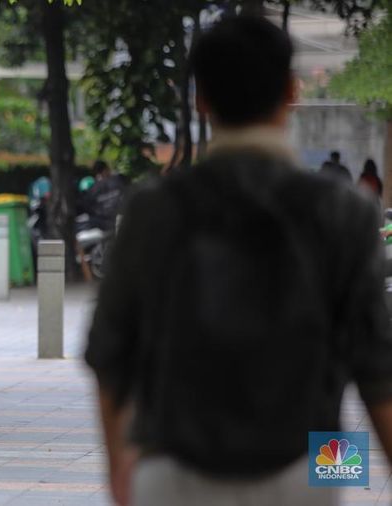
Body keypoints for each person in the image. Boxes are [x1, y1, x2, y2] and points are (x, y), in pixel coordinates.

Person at [86, 15, 392, 506]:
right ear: (292, 91)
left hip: (172, 473)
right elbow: (377, 369)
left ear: (201, 98)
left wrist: (120, 471)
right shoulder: (345, 211)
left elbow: (108, 354)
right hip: (305, 473)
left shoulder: (153, 209)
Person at [77, 161, 126, 232]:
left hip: (102, 226)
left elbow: (88, 208)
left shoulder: (93, 189)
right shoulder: (119, 180)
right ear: (106, 169)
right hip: (121, 221)